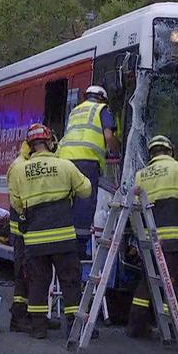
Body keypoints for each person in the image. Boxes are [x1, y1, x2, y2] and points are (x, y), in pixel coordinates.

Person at [10, 123, 92, 339]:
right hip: (63, 237)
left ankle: (38, 329)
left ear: (30, 145)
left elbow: (17, 204)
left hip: (35, 240)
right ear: (49, 142)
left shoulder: (21, 171)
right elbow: (86, 190)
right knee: (70, 280)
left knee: (38, 282)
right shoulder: (65, 165)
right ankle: (74, 327)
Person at [127, 135, 178, 338]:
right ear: (170, 151)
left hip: (149, 240)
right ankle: (171, 327)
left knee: (148, 280)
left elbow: (135, 208)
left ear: (152, 153)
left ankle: (137, 324)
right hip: (174, 240)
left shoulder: (141, 175)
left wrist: (137, 237)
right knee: (172, 282)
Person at [58, 85, 118, 260]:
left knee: (68, 201)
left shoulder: (75, 111)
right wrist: (116, 149)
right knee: (85, 202)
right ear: (102, 98)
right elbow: (108, 136)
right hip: (87, 160)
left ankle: (64, 241)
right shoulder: (102, 109)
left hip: (66, 160)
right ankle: (80, 246)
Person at [7, 141, 30, 333]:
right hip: (22, 231)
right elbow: (18, 200)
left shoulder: (21, 163)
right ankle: (19, 317)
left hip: (22, 230)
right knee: (23, 273)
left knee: (29, 273)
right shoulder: (21, 166)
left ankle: (27, 314)